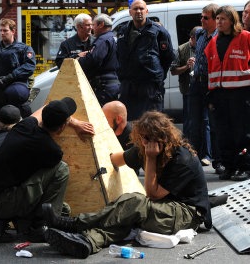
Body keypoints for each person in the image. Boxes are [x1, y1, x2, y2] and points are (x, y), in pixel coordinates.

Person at [42, 111, 212, 259]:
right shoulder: (146, 145)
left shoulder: (182, 159)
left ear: (161, 137)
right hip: (163, 209)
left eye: (147, 139)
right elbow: (115, 159)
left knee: (134, 202)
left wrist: (151, 158)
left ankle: (72, 224)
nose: (144, 143)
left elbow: (152, 195)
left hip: (187, 213)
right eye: (142, 138)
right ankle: (88, 241)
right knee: (124, 217)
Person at [0, 97, 95, 243]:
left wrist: (72, 122)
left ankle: (2, 219)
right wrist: (75, 123)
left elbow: (46, 106)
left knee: (58, 201)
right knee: (61, 169)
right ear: (62, 127)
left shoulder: (25, 125)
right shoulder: (51, 150)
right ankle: (41, 225)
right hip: (4, 202)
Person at [205, 5, 250, 181]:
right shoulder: (213, 42)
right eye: (217, 19)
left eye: (223, 19)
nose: (219, 22)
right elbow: (209, 70)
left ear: (232, 20)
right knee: (224, 133)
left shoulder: (245, 37)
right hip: (219, 95)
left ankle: (244, 166)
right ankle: (229, 166)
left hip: (241, 93)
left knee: (242, 133)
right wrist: (209, 96)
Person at [116, 0, 175, 121]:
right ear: (130, 12)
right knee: (129, 124)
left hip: (150, 87)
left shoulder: (159, 31)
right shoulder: (123, 31)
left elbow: (168, 57)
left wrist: (157, 76)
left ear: (147, 11)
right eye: (135, 9)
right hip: (129, 86)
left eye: (141, 8)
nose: (139, 11)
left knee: (152, 124)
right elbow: (119, 55)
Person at [187, 3, 222, 173]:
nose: (202, 20)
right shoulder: (200, 34)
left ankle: (218, 160)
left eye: (205, 17)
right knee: (194, 123)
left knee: (215, 125)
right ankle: (194, 160)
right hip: (196, 83)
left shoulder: (219, 36)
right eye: (201, 17)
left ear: (216, 19)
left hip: (212, 84)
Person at [0, 18, 36, 127]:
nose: (2, 33)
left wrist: (11, 76)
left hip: (17, 89)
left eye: (5, 30)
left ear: (13, 31)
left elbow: (29, 66)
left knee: (24, 122)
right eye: (1, 31)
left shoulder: (24, 48)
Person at [74, 13, 120, 106]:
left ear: (101, 25)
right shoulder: (113, 38)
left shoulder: (103, 40)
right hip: (113, 85)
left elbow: (93, 60)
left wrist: (78, 60)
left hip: (104, 87)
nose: (92, 28)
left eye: (93, 25)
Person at [170, 26, 201, 138]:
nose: (201, 41)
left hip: (203, 88)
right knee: (189, 120)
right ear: (192, 38)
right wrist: (186, 66)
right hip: (188, 89)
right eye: (199, 39)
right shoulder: (181, 49)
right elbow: (173, 71)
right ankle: (188, 144)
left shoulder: (206, 46)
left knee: (204, 121)